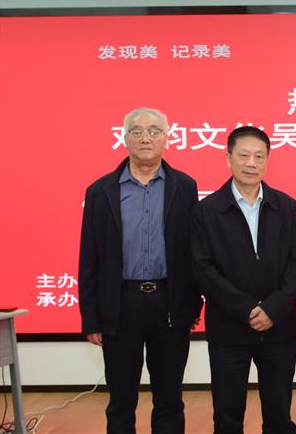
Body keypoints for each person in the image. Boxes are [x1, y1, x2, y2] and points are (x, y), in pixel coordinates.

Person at [79, 108, 201, 433]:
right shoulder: (100, 191)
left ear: (166, 138)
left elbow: (193, 253)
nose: (145, 138)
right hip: (121, 305)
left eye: (154, 131)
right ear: (124, 138)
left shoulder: (185, 187)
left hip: (169, 303)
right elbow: (89, 258)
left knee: (170, 399)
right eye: (137, 131)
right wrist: (91, 318)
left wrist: (192, 306)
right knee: (121, 401)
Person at [191, 126, 296, 434]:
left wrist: (272, 309)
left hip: (279, 327)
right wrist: (246, 309)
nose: (251, 163)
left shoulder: (286, 206)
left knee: (279, 417)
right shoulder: (206, 211)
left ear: (267, 160)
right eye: (243, 155)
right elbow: (203, 269)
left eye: (259, 156)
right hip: (228, 329)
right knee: (227, 418)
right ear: (228, 158)